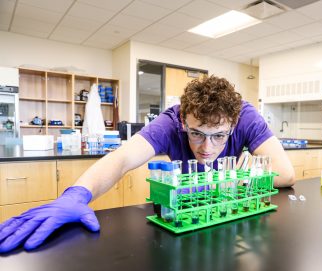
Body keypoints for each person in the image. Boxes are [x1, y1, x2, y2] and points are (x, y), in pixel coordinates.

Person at [0, 75, 295, 253]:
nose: (207, 148)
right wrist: (78, 193)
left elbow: (287, 172)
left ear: (234, 123)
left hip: (232, 222)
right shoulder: (169, 121)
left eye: (220, 136)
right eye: (196, 134)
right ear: (183, 121)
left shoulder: (246, 116)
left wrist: (251, 172)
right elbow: (122, 158)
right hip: (184, 222)